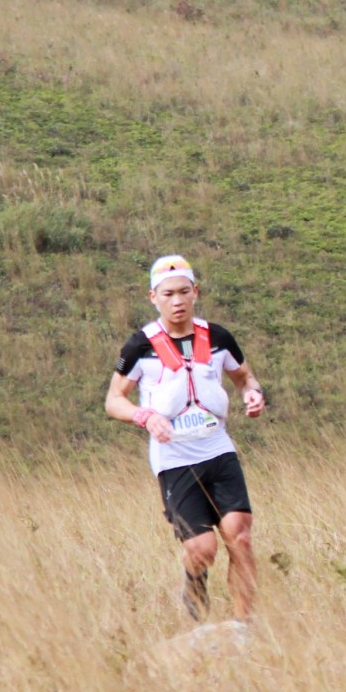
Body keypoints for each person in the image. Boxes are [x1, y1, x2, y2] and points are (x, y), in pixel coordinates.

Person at [105, 255, 266, 618]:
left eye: (183, 292)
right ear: (153, 297)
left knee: (240, 536)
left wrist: (253, 394)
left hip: (218, 448)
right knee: (203, 548)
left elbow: (244, 377)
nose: (177, 301)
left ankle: (244, 626)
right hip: (175, 458)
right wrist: (145, 416)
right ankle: (194, 583)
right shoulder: (139, 347)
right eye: (168, 294)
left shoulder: (218, 337)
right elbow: (114, 401)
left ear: (196, 292)